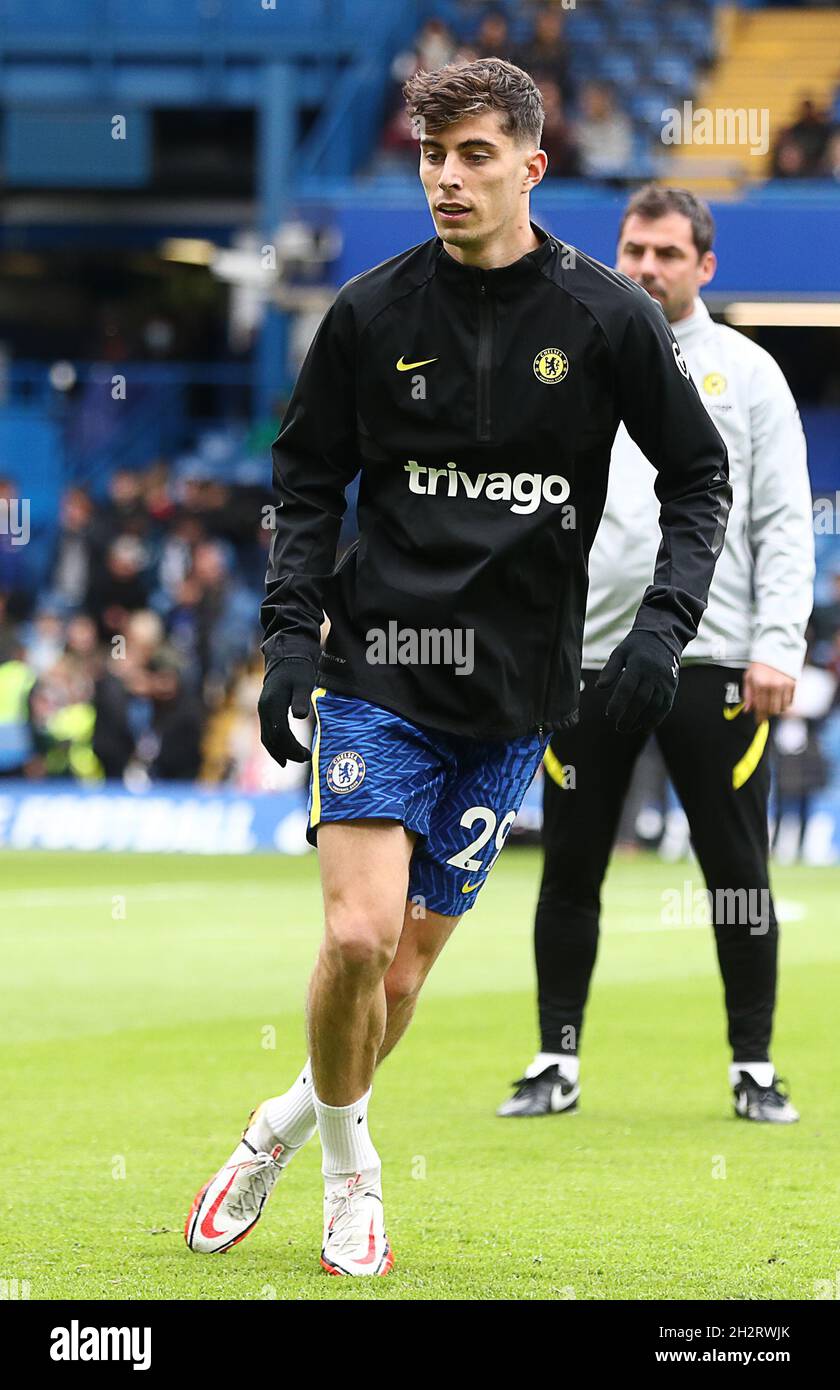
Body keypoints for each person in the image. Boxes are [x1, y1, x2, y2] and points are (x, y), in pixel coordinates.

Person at [185, 62, 730, 1276]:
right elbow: (307, 483)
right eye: (432, 153)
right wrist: (288, 640)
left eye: (475, 154)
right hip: (380, 673)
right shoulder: (370, 315)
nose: (447, 176)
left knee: (410, 970)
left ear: (532, 167)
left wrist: (659, 632)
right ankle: (351, 1178)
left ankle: (283, 1126)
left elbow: (699, 479)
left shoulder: (606, 318)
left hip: (515, 699)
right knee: (361, 936)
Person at [498, 185, 814, 1126]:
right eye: (634, 249)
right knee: (571, 867)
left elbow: (783, 521)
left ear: (705, 267)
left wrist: (778, 643)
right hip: (585, 660)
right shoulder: (574, 362)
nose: (644, 268)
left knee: (737, 873)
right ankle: (554, 1060)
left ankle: (752, 1067)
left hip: (714, 657)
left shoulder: (750, 375)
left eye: (667, 254)